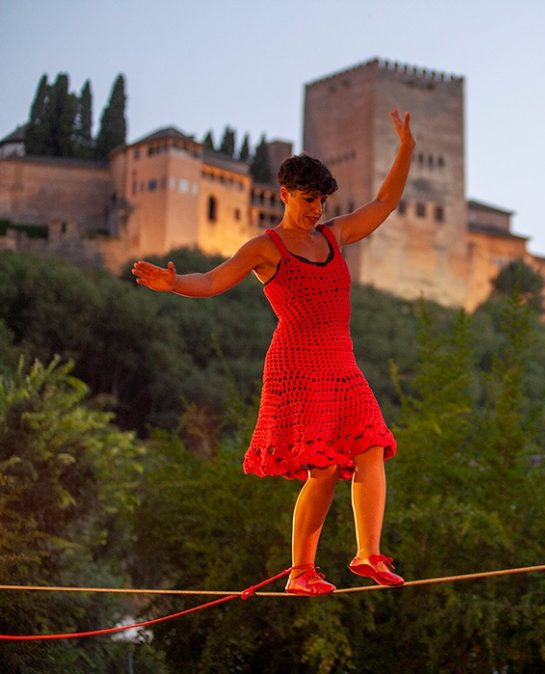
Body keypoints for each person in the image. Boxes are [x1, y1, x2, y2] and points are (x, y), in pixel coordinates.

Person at [132, 110, 415, 595]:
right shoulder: (265, 248)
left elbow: (385, 202)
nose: (316, 210)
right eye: (308, 200)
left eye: (322, 201)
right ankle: (300, 572)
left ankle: (368, 554)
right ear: (285, 194)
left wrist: (406, 147)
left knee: (371, 446)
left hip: (341, 364)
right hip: (297, 365)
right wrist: (176, 283)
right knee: (323, 467)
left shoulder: (334, 235)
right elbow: (214, 280)